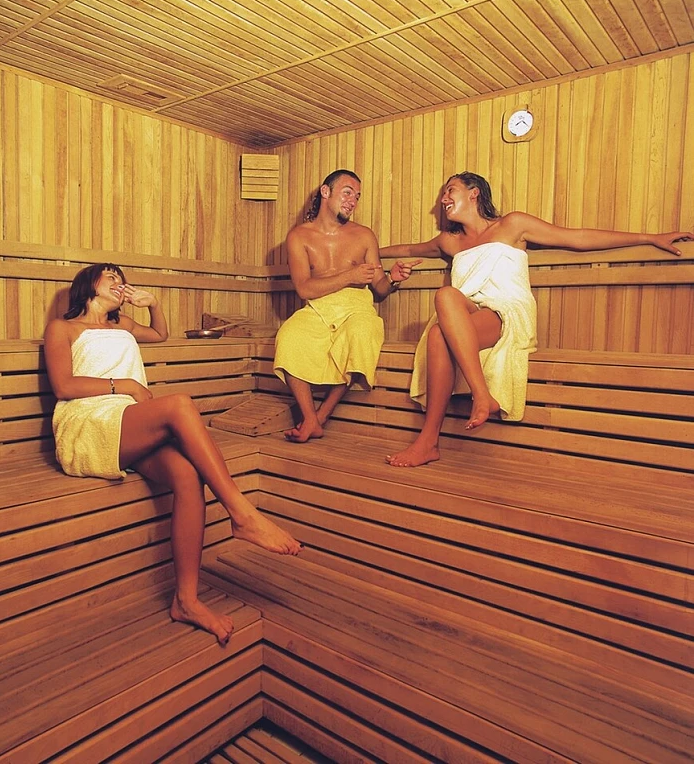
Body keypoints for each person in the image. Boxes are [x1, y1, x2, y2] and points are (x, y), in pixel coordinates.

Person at [44, 263, 302, 644]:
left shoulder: (123, 324)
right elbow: (63, 386)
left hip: (126, 422)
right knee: (180, 404)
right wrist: (126, 385)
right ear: (88, 285)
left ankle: (186, 600)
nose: (119, 282)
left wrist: (153, 303)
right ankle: (242, 514)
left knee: (186, 474)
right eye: (110, 276)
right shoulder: (63, 328)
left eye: (121, 278)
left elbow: (160, 334)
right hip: (87, 423)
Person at [379, 171, 693, 468]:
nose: (443, 199)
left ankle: (444, 427)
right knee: (446, 298)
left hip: (507, 310)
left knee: (439, 332)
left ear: (474, 193)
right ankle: (459, 416)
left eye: (450, 190)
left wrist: (649, 237)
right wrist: (366, 253)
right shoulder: (449, 241)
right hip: (469, 312)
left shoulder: (512, 225)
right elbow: (406, 248)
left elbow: (577, 237)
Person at [273, 169, 419, 442]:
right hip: (318, 308)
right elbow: (304, 288)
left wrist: (393, 279)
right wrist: (350, 276)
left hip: (357, 308)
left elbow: (380, 289)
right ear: (325, 192)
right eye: (348, 192)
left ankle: (320, 418)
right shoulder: (299, 237)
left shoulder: (364, 236)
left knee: (361, 335)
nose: (353, 201)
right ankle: (310, 417)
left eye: (357, 197)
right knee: (289, 336)